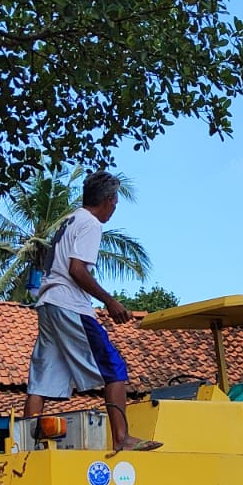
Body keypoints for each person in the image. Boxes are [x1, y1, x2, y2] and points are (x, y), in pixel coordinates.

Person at [24, 171, 159, 452]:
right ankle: (122, 438)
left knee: (44, 377)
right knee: (114, 368)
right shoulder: (91, 223)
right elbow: (77, 270)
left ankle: (25, 443)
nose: (115, 207)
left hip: (48, 304)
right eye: (116, 201)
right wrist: (110, 301)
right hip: (69, 304)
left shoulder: (71, 219)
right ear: (108, 201)